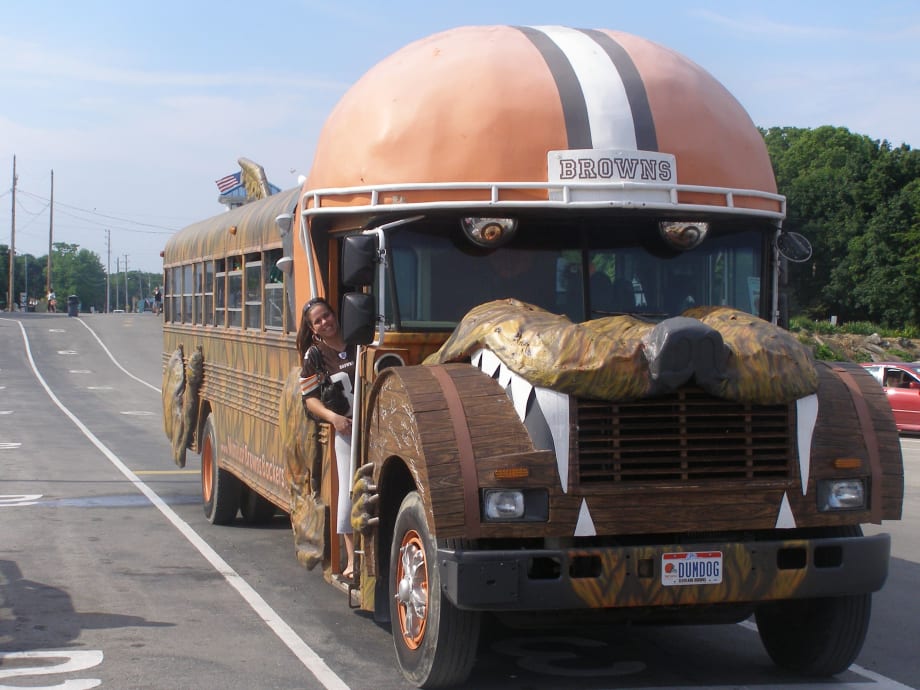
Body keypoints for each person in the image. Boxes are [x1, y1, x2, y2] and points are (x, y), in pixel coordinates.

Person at [296, 297, 357, 580]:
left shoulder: (361, 342)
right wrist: (334, 419)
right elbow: (309, 400)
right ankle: (352, 559)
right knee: (348, 491)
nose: (325, 322)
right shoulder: (315, 355)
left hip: (374, 424)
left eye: (327, 316)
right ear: (313, 329)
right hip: (345, 429)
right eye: (317, 321)